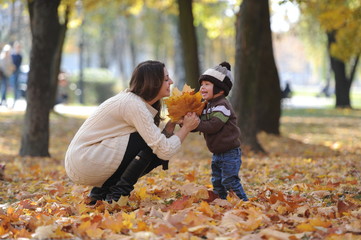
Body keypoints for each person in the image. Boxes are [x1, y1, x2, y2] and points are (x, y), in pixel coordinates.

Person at [65, 60, 200, 204]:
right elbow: (164, 150)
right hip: (84, 160)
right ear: (153, 82)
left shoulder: (135, 102)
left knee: (153, 143)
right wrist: (186, 129)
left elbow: (159, 147)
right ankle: (117, 196)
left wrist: (171, 126)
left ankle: (100, 194)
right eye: (166, 79)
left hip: (86, 161)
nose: (171, 82)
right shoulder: (133, 104)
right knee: (149, 142)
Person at [193, 61, 248, 201]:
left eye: (207, 84)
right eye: (202, 84)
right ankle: (221, 204)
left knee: (229, 181)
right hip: (217, 153)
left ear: (220, 89)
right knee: (217, 183)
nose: (202, 88)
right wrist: (187, 123)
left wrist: (197, 123)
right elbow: (200, 124)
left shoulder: (222, 105)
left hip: (229, 153)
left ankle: (244, 203)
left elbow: (213, 126)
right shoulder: (207, 106)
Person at [10, 41, 23, 108]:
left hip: (17, 71)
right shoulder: (12, 55)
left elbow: (18, 64)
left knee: (16, 85)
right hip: (12, 71)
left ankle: (17, 97)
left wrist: (15, 67)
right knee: (12, 85)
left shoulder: (20, 56)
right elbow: (10, 62)